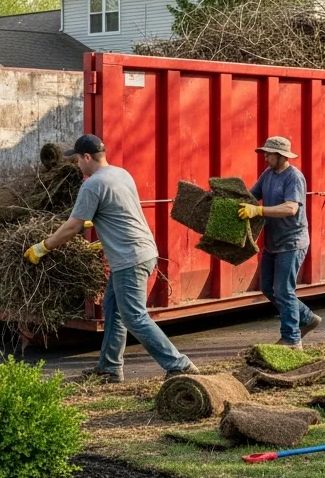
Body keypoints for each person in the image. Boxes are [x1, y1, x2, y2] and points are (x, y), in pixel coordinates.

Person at [25, 134, 198, 383]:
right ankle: (109, 368)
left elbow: (73, 227)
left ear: (87, 157)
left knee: (134, 317)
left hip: (130, 258)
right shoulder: (120, 174)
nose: (76, 164)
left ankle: (178, 364)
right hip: (141, 251)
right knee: (113, 310)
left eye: (77, 159)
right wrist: (102, 231)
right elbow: (119, 211)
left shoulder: (93, 184)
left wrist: (43, 247)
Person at [238, 136, 321, 349]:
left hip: (292, 242)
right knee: (268, 287)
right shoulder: (268, 174)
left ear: (281, 156)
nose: (265, 157)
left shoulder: (294, 177)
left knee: (284, 290)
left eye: (268, 154)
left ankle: (292, 340)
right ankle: (307, 318)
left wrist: (259, 210)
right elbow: (251, 196)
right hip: (273, 241)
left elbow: (291, 208)